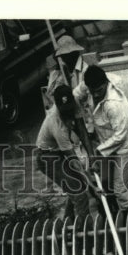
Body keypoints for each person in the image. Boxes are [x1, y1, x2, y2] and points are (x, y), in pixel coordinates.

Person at [75, 63, 128, 211]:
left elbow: (120, 136)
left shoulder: (114, 104)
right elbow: (75, 95)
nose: (96, 94)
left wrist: (97, 152)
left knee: (120, 188)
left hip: (124, 145)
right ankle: (113, 208)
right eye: (93, 91)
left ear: (106, 83)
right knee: (104, 181)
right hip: (105, 139)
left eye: (99, 90)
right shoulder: (89, 85)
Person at [34, 85, 94, 217]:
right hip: (48, 158)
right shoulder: (56, 123)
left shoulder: (76, 102)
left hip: (59, 152)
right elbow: (74, 161)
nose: (68, 113)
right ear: (56, 105)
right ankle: (84, 233)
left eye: (70, 109)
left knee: (76, 187)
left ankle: (69, 224)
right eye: (64, 110)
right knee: (79, 193)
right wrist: (92, 184)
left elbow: (82, 131)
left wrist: (92, 156)